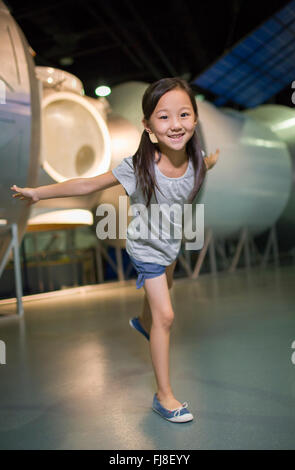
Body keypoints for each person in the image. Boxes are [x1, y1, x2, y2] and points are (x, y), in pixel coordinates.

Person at [11, 77, 219, 423]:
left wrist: (212, 159)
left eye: (183, 114)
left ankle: (141, 320)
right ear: (148, 126)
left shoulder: (195, 160)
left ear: (195, 119)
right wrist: (39, 193)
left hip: (170, 244)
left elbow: (203, 166)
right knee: (165, 316)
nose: (175, 124)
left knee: (161, 297)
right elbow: (89, 183)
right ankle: (163, 396)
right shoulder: (139, 166)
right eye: (163, 117)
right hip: (146, 247)